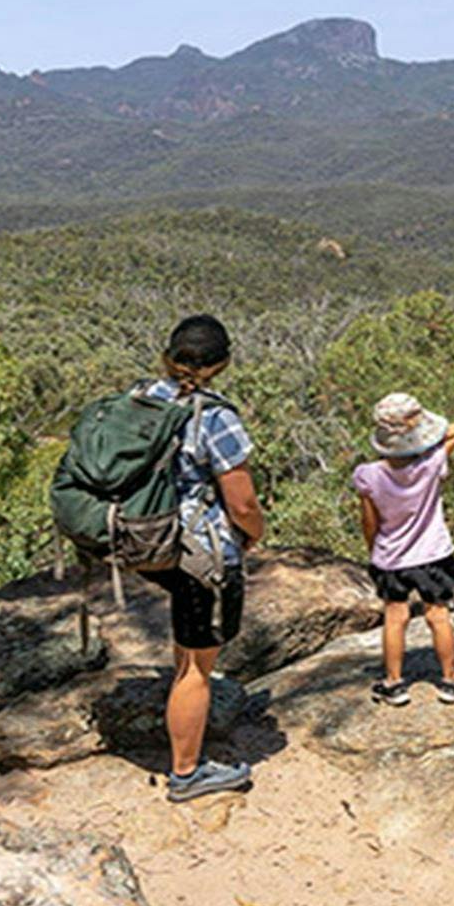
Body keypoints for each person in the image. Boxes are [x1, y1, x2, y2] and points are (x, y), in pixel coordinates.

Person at [144, 314, 266, 802]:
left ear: (167, 356)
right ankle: (187, 772)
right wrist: (252, 535)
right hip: (200, 550)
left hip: (152, 538)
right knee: (198, 665)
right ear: (224, 364)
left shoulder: (144, 397)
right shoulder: (215, 417)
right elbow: (242, 502)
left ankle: (182, 731)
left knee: (185, 647)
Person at [353, 393, 454, 706]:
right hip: (433, 553)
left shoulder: (368, 475)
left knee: (395, 618)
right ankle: (450, 679)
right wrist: (423, 431)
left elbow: (369, 521)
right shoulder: (433, 464)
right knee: (438, 615)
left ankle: (394, 683)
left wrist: (374, 548)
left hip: (391, 557)